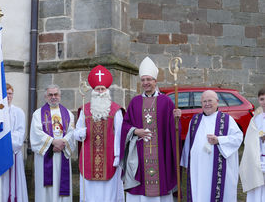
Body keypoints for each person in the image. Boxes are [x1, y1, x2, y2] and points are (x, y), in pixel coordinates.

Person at [120, 56, 181, 202]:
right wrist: (135, 131)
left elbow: (173, 130)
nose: (146, 83)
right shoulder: (135, 102)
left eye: (149, 79)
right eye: (143, 80)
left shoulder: (166, 101)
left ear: (155, 81)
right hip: (140, 152)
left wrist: (176, 119)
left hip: (161, 154)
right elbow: (125, 125)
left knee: (161, 181)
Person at [180, 90, 243, 202]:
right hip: (198, 168)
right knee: (200, 193)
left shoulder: (227, 119)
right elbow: (189, 143)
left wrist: (219, 140)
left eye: (210, 101)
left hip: (218, 168)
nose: (207, 104)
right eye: (204, 101)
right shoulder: (195, 120)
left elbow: (238, 138)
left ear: (217, 102)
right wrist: (186, 163)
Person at [74, 65, 125, 202]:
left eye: (103, 89)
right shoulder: (85, 109)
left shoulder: (116, 110)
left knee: (109, 193)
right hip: (89, 157)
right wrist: (81, 133)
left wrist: (118, 156)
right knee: (90, 193)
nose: (100, 92)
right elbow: (76, 131)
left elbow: (120, 134)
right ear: (93, 91)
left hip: (110, 158)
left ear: (107, 91)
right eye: (98, 89)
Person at [30, 84, 76, 202]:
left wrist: (63, 143)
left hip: (62, 154)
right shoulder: (37, 114)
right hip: (45, 156)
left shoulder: (68, 114)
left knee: (61, 184)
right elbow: (36, 133)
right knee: (45, 189)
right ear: (45, 96)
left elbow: (72, 132)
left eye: (56, 94)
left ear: (60, 96)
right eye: (50, 95)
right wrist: (53, 142)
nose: (53, 97)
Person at [0, 83, 28, 202]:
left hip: (11, 153)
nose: (8, 96)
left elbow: (20, 134)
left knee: (11, 184)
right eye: (5, 94)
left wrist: (4, 139)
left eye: (10, 93)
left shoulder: (18, 112)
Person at [240, 87, 265, 202]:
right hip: (257, 156)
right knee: (257, 185)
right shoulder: (256, 118)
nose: (264, 102)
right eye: (262, 99)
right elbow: (249, 138)